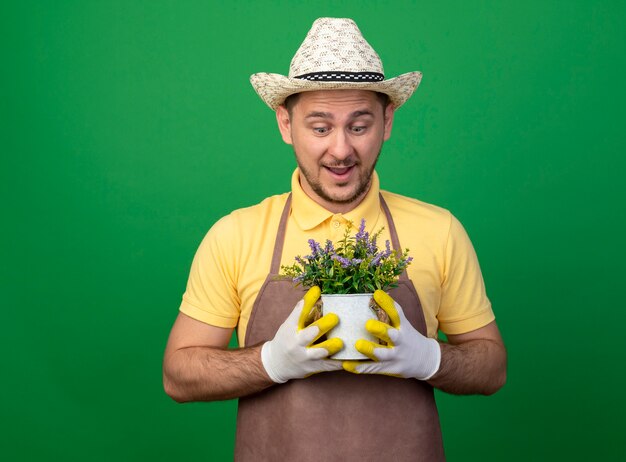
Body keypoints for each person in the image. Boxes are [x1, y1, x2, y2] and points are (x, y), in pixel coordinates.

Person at [163, 17, 507, 461]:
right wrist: (272, 361)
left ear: (387, 121)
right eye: (320, 127)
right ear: (286, 125)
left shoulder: (440, 230)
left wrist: (427, 358)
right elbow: (178, 374)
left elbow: (492, 368)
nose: (341, 150)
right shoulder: (236, 234)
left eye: (359, 126)